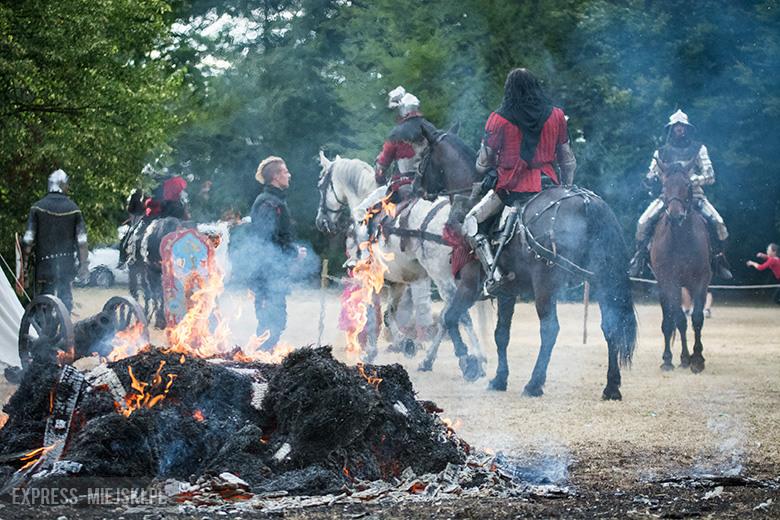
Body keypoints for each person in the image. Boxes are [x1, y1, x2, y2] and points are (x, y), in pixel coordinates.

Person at [463, 68, 576, 294]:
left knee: (470, 222)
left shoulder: (498, 118)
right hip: (549, 183)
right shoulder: (556, 115)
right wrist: (566, 187)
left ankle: (495, 276)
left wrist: (490, 163)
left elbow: (483, 164)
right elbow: (568, 159)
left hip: (512, 187)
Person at [629, 110, 732, 280]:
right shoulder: (660, 152)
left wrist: (690, 180)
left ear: (687, 128)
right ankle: (639, 258)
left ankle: (719, 259)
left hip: (695, 196)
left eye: (682, 126)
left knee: (719, 223)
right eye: (676, 126)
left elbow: (710, 175)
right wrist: (651, 179)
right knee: (643, 222)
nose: (679, 129)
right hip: (667, 197)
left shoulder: (698, 149)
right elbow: (651, 173)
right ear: (671, 129)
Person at [354, 86, 438, 227]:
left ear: (403, 110)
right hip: (431, 187)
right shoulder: (432, 130)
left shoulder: (397, 134)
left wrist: (380, 179)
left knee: (361, 212)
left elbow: (381, 165)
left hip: (403, 186)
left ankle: (363, 242)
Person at [249, 156, 306, 349]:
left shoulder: (275, 201)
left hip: (273, 273)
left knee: (276, 322)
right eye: (285, 171)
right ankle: (257, 363)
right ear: (276, 176)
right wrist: (293, 252)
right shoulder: (269, 203)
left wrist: (293, 250)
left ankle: (263, 361)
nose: (289, 175)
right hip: (265, 274)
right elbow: (266, 240)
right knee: (269, 324)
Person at [22, 169, 89, 312]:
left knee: (45, 298)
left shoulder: (38, 207)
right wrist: (84, 266)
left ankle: (46, 328)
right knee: (65, 299)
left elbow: (28, 240)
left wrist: (24, 268)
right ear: (63, 185)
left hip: (44, 263)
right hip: (66, 263)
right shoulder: (73, 208)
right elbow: (82, 242)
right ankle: (64, 330)